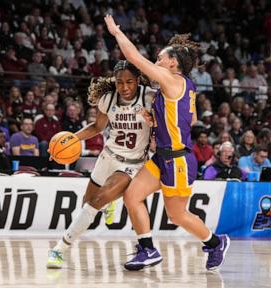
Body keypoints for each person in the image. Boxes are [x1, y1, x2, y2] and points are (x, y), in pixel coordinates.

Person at [104, 15, 230, 271]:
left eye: (161, 58)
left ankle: (216, 242)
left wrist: (117, 33)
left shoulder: (171, 79)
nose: (157, 61)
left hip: (178, 160)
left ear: (173, 63)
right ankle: (148, 249)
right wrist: (157, 120)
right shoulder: (182, 86)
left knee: (177, 215)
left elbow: (134, 59)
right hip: (162, 156)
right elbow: (190, 118)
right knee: (132, 196)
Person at [47, 60, 157, 269]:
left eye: (130, 82)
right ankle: (109, 202)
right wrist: (71, 139)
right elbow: (98, 127)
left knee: (98, 200)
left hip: (132, 164)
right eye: (120, 82)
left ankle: (59, 249)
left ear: (138, 80)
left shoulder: (150, 98)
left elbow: (164, 128)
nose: (124, 87)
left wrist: (152, 121)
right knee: (87, 206)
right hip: (108, 157)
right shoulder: (108, 99)